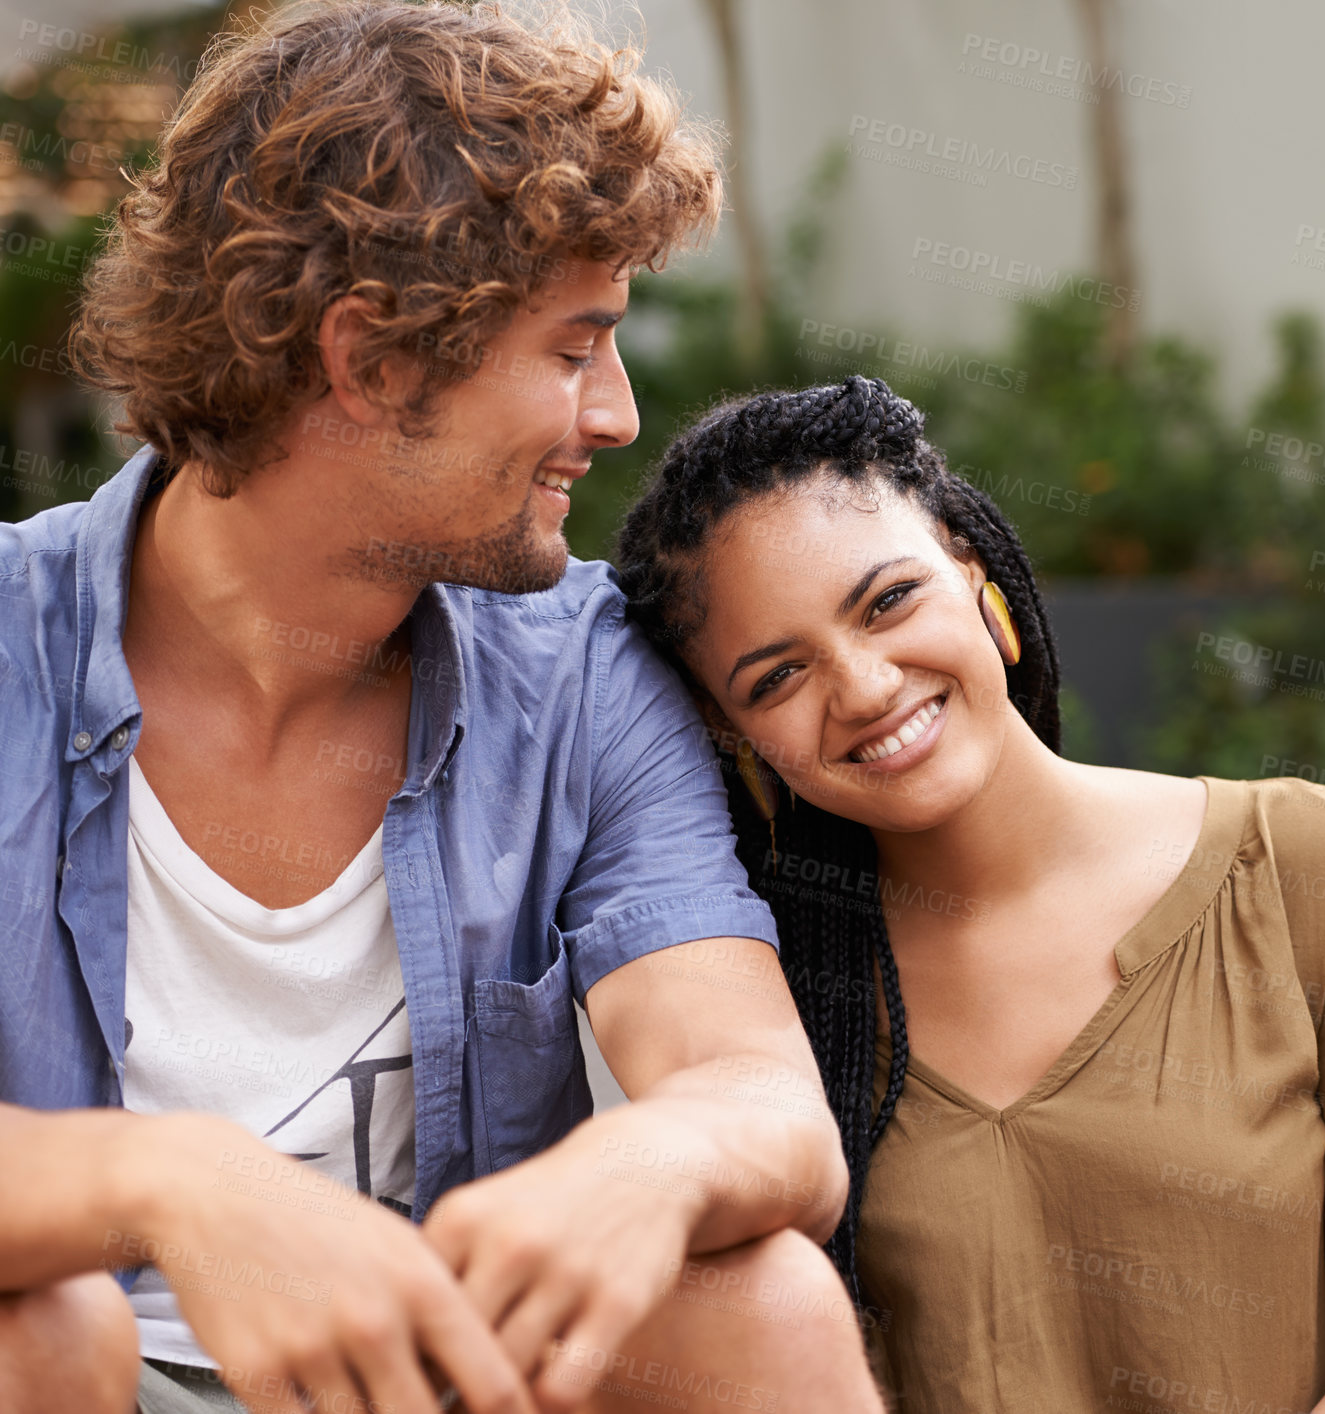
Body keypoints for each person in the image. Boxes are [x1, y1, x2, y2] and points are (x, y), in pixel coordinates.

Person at [0, 5, 890, 1412]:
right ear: (371, 360)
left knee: (756, 1294)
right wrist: (174, 1182)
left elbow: (762, 1100)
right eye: (572, 347)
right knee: (39, 1334)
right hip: (75, 1366)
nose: (614, 412)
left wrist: (647, 1160)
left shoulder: (582, 666)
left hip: (438, 1371)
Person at [614, 374, 1325, 1413]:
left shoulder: (1304, 863)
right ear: (735, 736)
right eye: (776, 677)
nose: (862, 688)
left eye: (888, 600)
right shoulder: (765, 1001)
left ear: (973, 571)